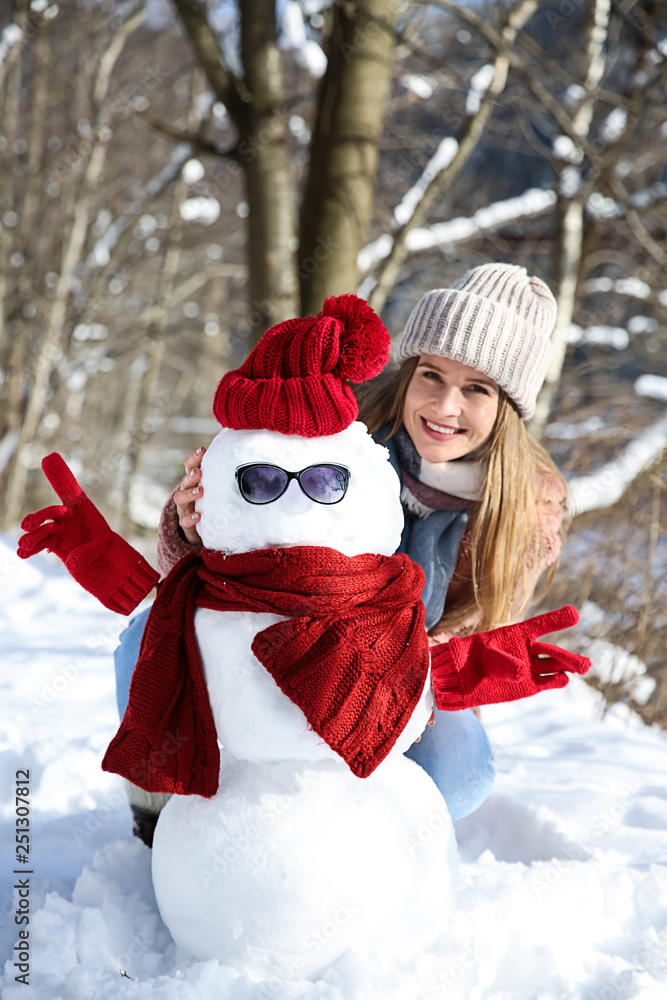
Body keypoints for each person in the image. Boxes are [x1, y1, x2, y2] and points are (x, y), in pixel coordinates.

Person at [115, 262, 568, 842]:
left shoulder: (526, 508)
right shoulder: (338, 432)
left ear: (507, 407)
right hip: (276, 621)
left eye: (476, 388)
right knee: (146, 636)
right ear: (408, 372)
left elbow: (481, 626)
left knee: (458, 773)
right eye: (431, 374)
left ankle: (360, 827)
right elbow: (228, 542)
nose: (445, 406)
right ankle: (164, 804)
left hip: (407, 668)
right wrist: (192, 528)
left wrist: (412, 655)